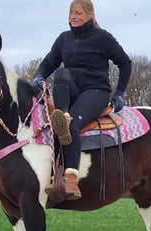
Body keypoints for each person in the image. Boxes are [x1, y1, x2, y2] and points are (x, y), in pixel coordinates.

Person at [32, 0, 132, 200]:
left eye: (78, 13)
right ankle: (62, 116)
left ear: (90, 15)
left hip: (96, 91)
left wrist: (119, 92)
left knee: (73, 125)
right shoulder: (63, 39)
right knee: (61, 74)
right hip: (72, 91)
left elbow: (125, 62)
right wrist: (39, 76)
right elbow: (48, 63)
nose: (73, 17)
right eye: (71, 13)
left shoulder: (103, 38)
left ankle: (70, 181)